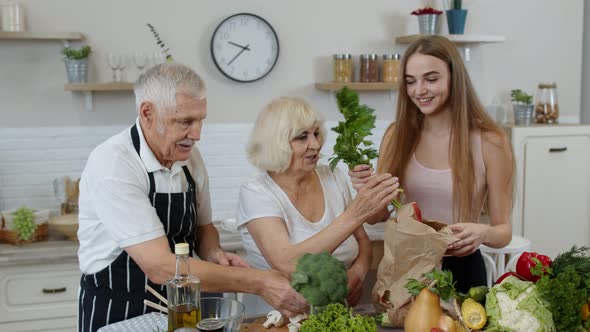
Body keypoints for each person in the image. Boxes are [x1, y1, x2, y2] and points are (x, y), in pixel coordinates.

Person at [77, 63, 306, 332]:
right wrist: (259, 282)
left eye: (200, 120)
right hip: (119, 311)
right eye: (185, 121)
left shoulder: (189, 158)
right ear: (147, 113)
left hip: (182, 311)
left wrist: (214, 253)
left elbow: (203, 228)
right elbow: (160, 266)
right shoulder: (114, 163)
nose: (197, 134)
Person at [349, 35, 514, 293]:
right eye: (411, 82)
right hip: (407, 270)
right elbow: (377, 217)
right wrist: (367, 190)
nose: (419, 90)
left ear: (454, 78)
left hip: (463, 271)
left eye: (431, 79)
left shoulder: (491, 141)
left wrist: (482, 232)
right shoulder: (397, 135)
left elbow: (503, 232)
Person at [235, 96, 400, 315]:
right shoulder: (257, 191)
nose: (315, 144)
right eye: (302, 137)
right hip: (275, 319)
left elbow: (363, 242)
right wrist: (356, 213)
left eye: (316, 133)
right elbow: (288, 264)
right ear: (277, 143)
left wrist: (358, 274)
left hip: (339, 314)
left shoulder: (332, 177)